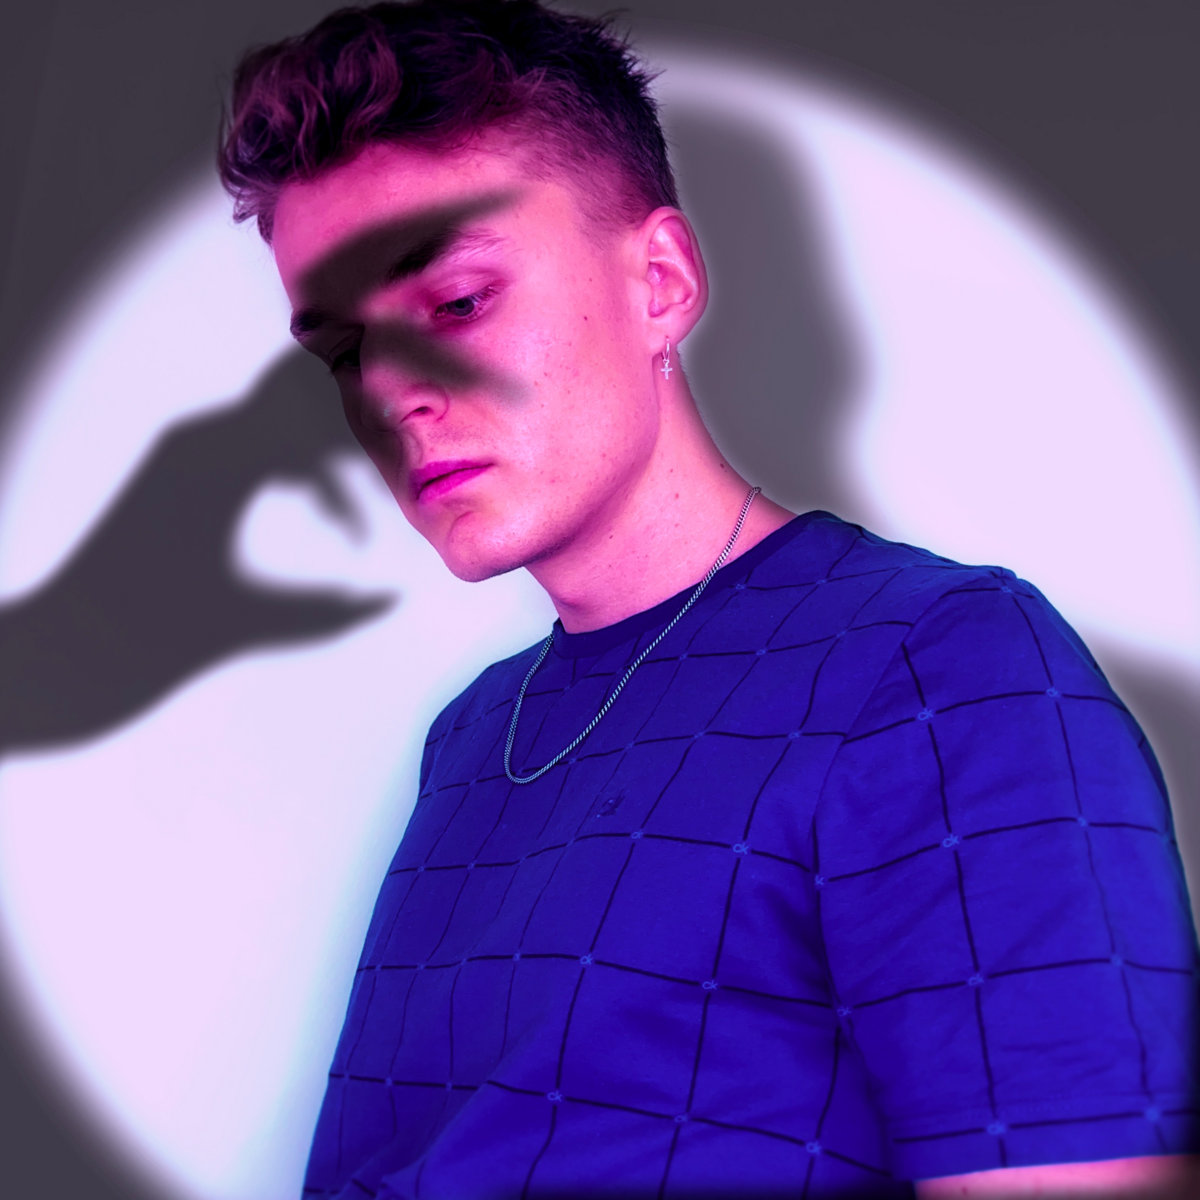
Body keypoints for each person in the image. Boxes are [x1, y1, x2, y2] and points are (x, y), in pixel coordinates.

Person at [218, 2, 1198, 1195]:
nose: (389, 393)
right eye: (342, 351)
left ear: (661, 282)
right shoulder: (473, 739)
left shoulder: (942, 672)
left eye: (459, 301)